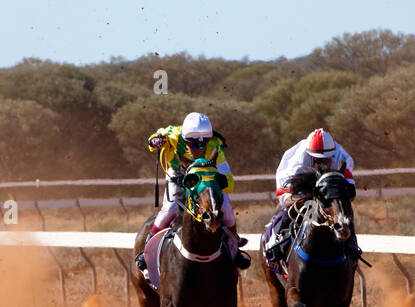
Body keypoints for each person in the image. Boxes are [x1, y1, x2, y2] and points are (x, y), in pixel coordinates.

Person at [136, 112, 249, 271]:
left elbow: (228, 179)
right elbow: (155, 138)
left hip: (206, 179)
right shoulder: (173, 135)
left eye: (203, 144)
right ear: (184, 138)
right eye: (193, 144)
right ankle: (145, 248)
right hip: (178, 174)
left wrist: (218, 185)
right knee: (170, 209)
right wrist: (155, 141)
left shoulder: (215, 145)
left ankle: (235, 249)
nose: (198, 148)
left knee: (227, 211)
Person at [263, 128, 361, 264]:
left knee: (345, 209)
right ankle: (275, 244)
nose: (323, 162)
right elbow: (285, 198)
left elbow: (350, 193)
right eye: (318, 159)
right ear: (310, 155)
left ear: (333, 153)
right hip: (297, 188)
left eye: (326, 159)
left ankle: (352, 247)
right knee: (290, 211)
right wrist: (310, 198)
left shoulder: (343, 157)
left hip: (329, 188)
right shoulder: (296, 164)